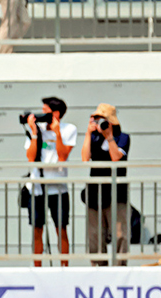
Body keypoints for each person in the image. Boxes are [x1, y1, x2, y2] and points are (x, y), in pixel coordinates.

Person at [24, 97, 76, 266]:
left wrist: (56, 132)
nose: (41, 115)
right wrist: (33, 132)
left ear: (56, 114)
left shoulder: (69, 129)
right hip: (37, 187)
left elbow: (62, 156)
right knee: (37, 229)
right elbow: (31, 158)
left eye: (45, 112)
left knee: (61, 228)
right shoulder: (36, 130)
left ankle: (64, 267)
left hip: (58, 188)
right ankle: (37, 267)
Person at [81, 103, 130, 265]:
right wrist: (88, 134)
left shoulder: (122, 137)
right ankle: (98, 268)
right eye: (95, 119)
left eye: (101, 119)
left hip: (116, 193)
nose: (98, 123)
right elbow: (84, 158)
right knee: (95, 234)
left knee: (119, 233)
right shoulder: (94, 138)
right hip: (95, 192)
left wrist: (109, 137)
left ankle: (120, 268)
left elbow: (116, 157)